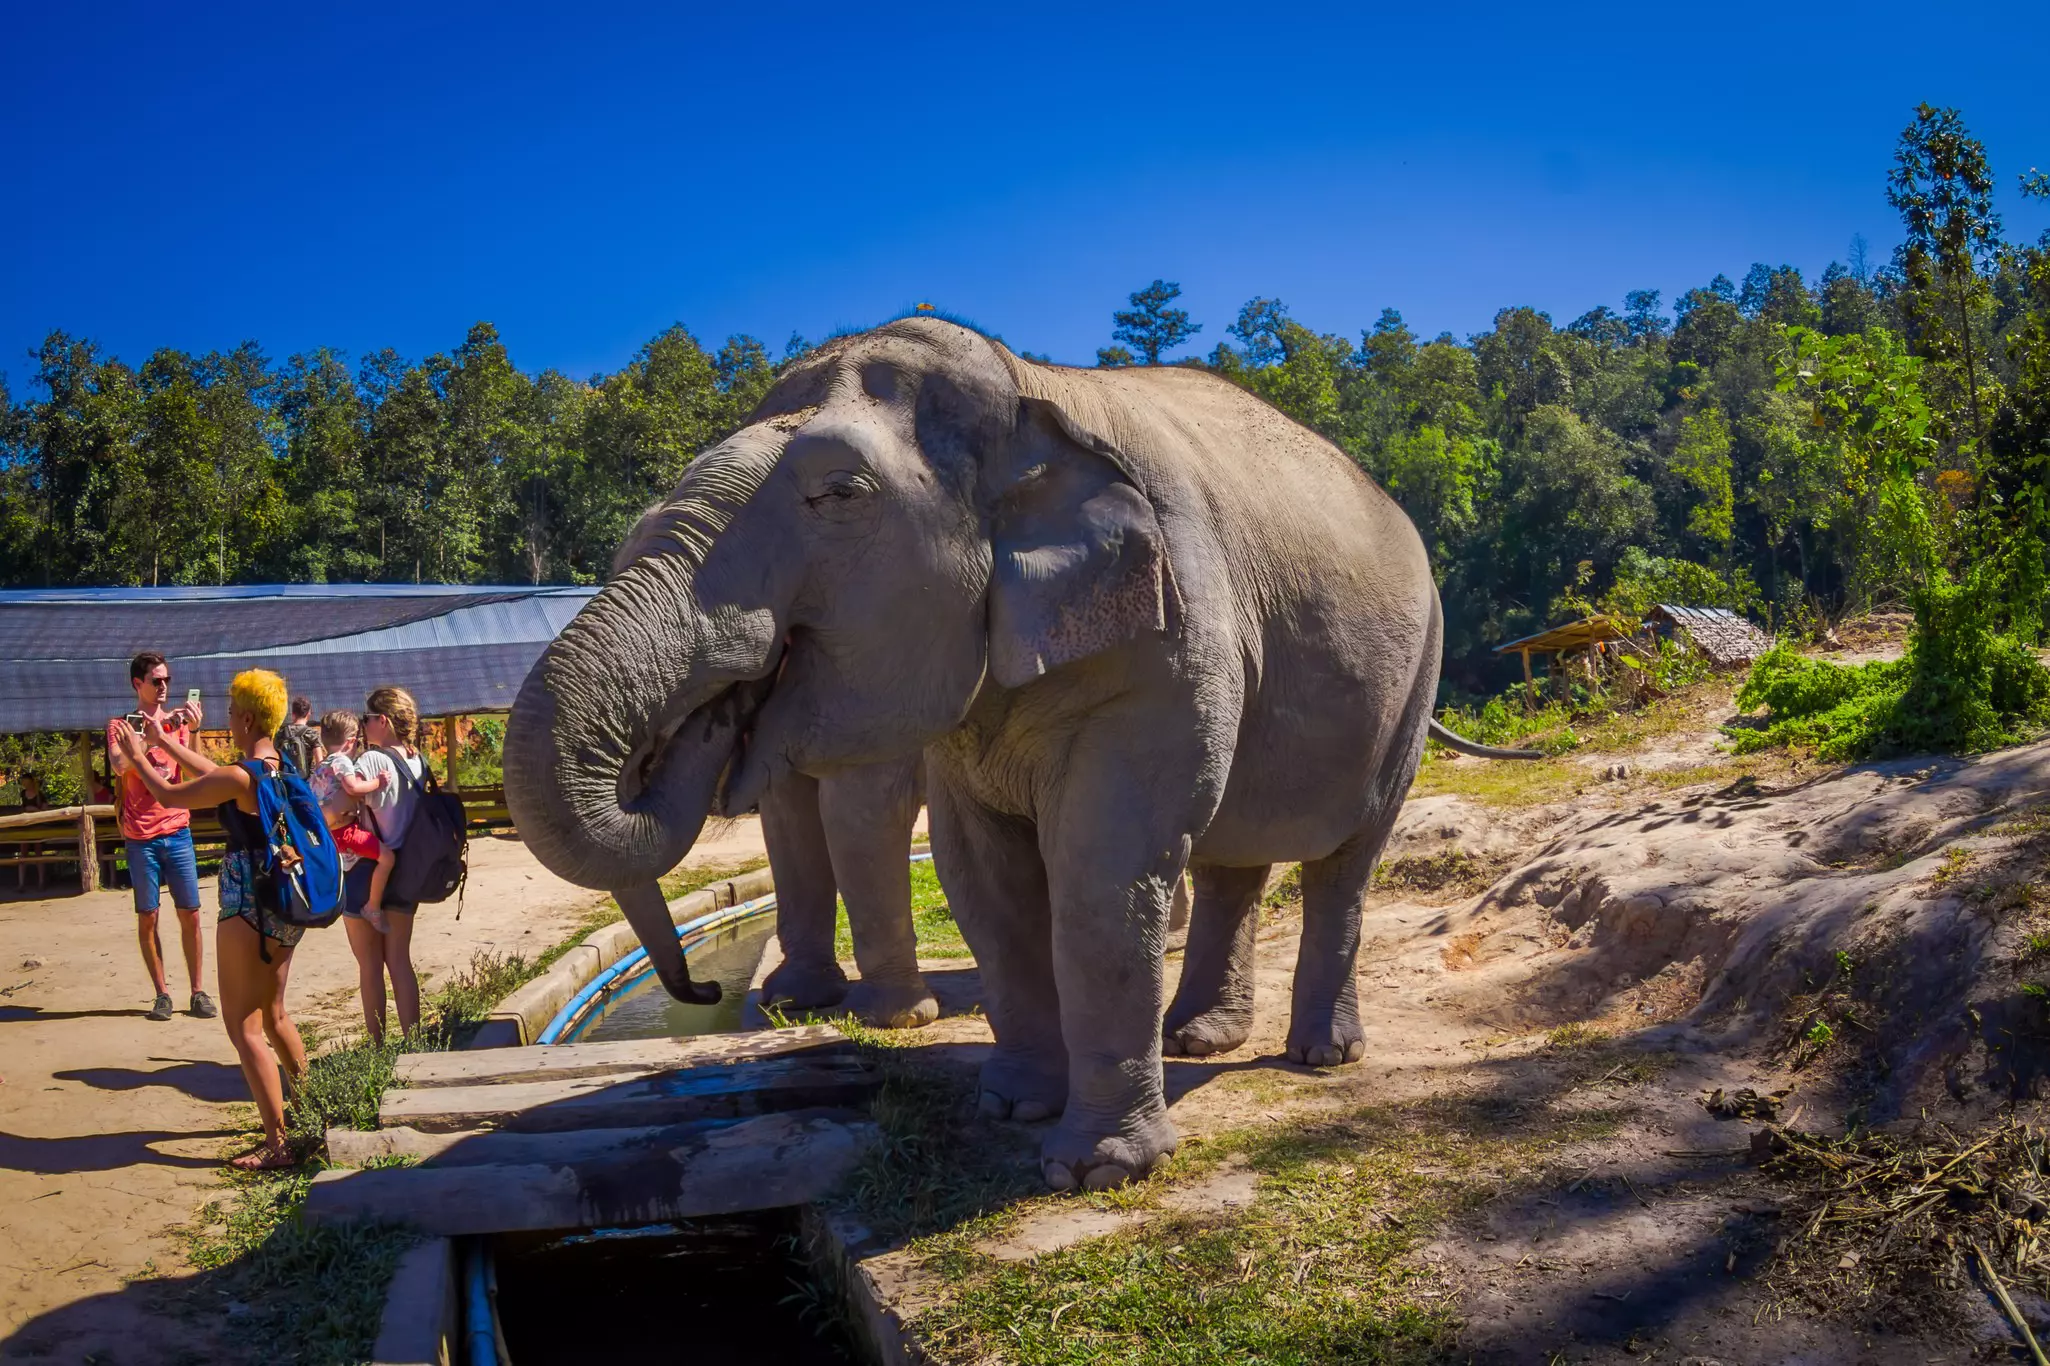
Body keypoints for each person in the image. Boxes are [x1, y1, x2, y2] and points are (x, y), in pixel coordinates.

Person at [113, 668, 307, 1170]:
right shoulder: (278, 765)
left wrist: (138, 756)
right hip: (287, 901)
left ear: (244, 717)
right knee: (276, 1013)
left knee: (243, 1026)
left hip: (249, 904)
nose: (224, 717)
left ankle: (278, 1142)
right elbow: (211, 771)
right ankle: (312, 1110)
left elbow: (172, 796)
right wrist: (166, 742)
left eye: (228, 711)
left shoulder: (242, 776)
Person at [106, 652, 214, 1021]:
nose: (164, 686)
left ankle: (198, 991)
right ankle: (162, 993)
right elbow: (120, 766)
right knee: (148, 916)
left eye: (166, 679)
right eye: (157, 680)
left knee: (192, 915)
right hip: (141, 838)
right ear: (139, 684)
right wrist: (150, 739)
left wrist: (192, 732)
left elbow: (196, 772)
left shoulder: (178, 723)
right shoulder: (120, 725)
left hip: (178, 830)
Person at [346, 686, 426, 1044]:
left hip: (367, 867)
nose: (363, 726)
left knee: (369, 965)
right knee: (400, 961)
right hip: (406, 870)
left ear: (382, 720)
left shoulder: (371, 760)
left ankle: (378, 1047)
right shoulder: (417, 760)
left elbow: (339, 801)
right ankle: (415, 1043)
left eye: (366, 718)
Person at [309, 710, 397, 934]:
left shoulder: (320, 767)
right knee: (387, 858)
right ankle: (373, 906)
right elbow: (353, 787)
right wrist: (378, 782)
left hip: (330, 835)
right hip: (345, 831)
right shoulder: (341, 761)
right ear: (349, 742)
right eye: (358, 741)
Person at [276, 696, 320, 775]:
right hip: (306, 781)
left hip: (287, 779)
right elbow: (319, 762)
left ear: (293, 714)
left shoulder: (282, 732)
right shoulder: (312, 733)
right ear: (308, 714)